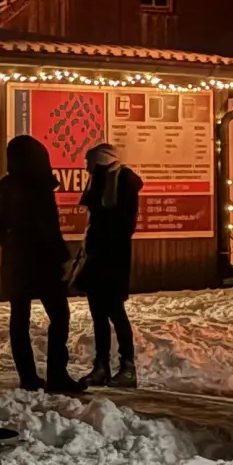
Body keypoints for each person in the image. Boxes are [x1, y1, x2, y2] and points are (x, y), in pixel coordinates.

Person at [0, 135, 87, 394]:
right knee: (59, 315)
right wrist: (61, 258)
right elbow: (47, 228)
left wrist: (11, 244)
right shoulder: (38, 186)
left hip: (15, 262)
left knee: (19, 317)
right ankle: (57, 373)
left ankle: (28, 375)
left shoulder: (4, 186)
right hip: (42, 262)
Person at [76, 143, 143, 388]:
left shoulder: (122, 181)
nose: (86, 168)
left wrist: (102, 245)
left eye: (89, 162)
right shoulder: (99, 180)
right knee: (98, 315)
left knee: (115, 312)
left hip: (112, 258)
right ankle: (101, 366)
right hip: (95, 257)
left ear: (101, 161)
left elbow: (122, 224)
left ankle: (127, 366)